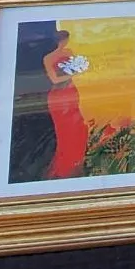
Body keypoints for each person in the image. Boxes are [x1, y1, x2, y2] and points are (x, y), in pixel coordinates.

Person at [42, 30, 89, 179]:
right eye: (65, 40)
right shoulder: (48, 58)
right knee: (65, 131)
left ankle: (77, 163)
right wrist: (72, 74)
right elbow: (54, 80)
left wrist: (78, 70)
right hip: (58, 96)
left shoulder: (69, 52)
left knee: (79, 126)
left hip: (71, 93)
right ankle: (65, 168)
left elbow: (74, 69)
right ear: (60, 40)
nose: (66, 43)